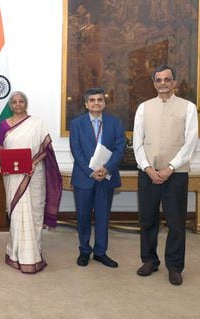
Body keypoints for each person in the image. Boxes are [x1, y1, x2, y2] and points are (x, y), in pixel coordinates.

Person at [133, 65, 198, 286]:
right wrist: (148, 168)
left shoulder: (188, 108)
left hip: (176, 174)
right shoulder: (143, 108)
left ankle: (175, 266)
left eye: (167, 79)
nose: (163, 83)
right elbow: (137, 142)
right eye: (159, 80)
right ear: (154, 83)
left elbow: (190, 142)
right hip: (148, 173)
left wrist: (170, 167)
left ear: (174, 82)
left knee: (176, 222)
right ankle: (150, 260)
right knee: (148, 219)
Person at [0, 91, 62, 274]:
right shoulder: (4, 125)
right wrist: (5, 163)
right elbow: (0, 150)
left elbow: (45, 148)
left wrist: (32, 163)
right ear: (10, 106)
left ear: (26, 103)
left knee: (34, 212)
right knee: (16, 212)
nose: (18, 104)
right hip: (13, 175)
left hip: (34, 172)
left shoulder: (37, 123)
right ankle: (16, 253)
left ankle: (34, 253)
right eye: (14, 102)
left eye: (21, 101)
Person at [69, 87, 126, 268]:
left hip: (106, 177)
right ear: (86, 104)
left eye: (99, 100)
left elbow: (120, 148)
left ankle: (101, 252)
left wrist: (107, 169)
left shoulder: (115, 123)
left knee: (103, 217)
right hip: (84, 178)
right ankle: (85, 250)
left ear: (104, 102)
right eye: (92, 100)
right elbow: (76, 150)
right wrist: (91, 171)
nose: (96, 103)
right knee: (83, 216)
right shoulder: (77, 123)